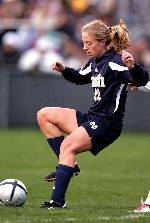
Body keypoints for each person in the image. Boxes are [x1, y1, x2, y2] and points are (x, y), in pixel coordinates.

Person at [37, 19, 149, 209]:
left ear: (103, 42)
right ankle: (69, 166)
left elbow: (143, 78)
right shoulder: (95, 61)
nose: (85, 47)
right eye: (83, 42)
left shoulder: (116, 61)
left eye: (89, 43)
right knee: (44, 115)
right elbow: (80, 77)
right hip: (92, 117)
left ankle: (57, 202)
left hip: (107, 124)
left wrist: (132, 66)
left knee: (67, 146)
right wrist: (64, 69)